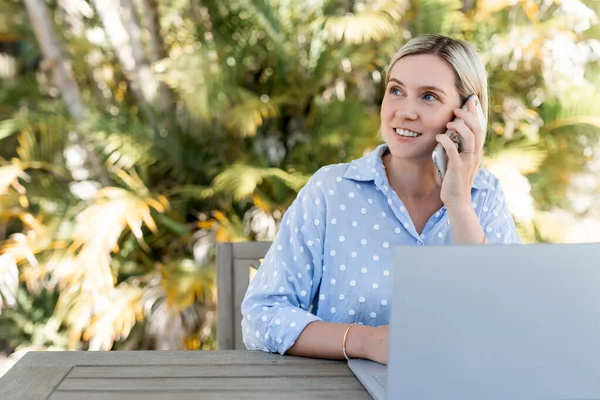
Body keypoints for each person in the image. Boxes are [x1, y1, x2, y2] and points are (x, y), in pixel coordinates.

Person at [240, 34, 521, 365]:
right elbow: (262, 315)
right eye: (396, 91)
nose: (405, 111)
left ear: (467, 114)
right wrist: (365, 341)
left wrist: (459, 203)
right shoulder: (331, 190)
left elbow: (509, 324)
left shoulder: (484, 197)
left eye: (429, 96)